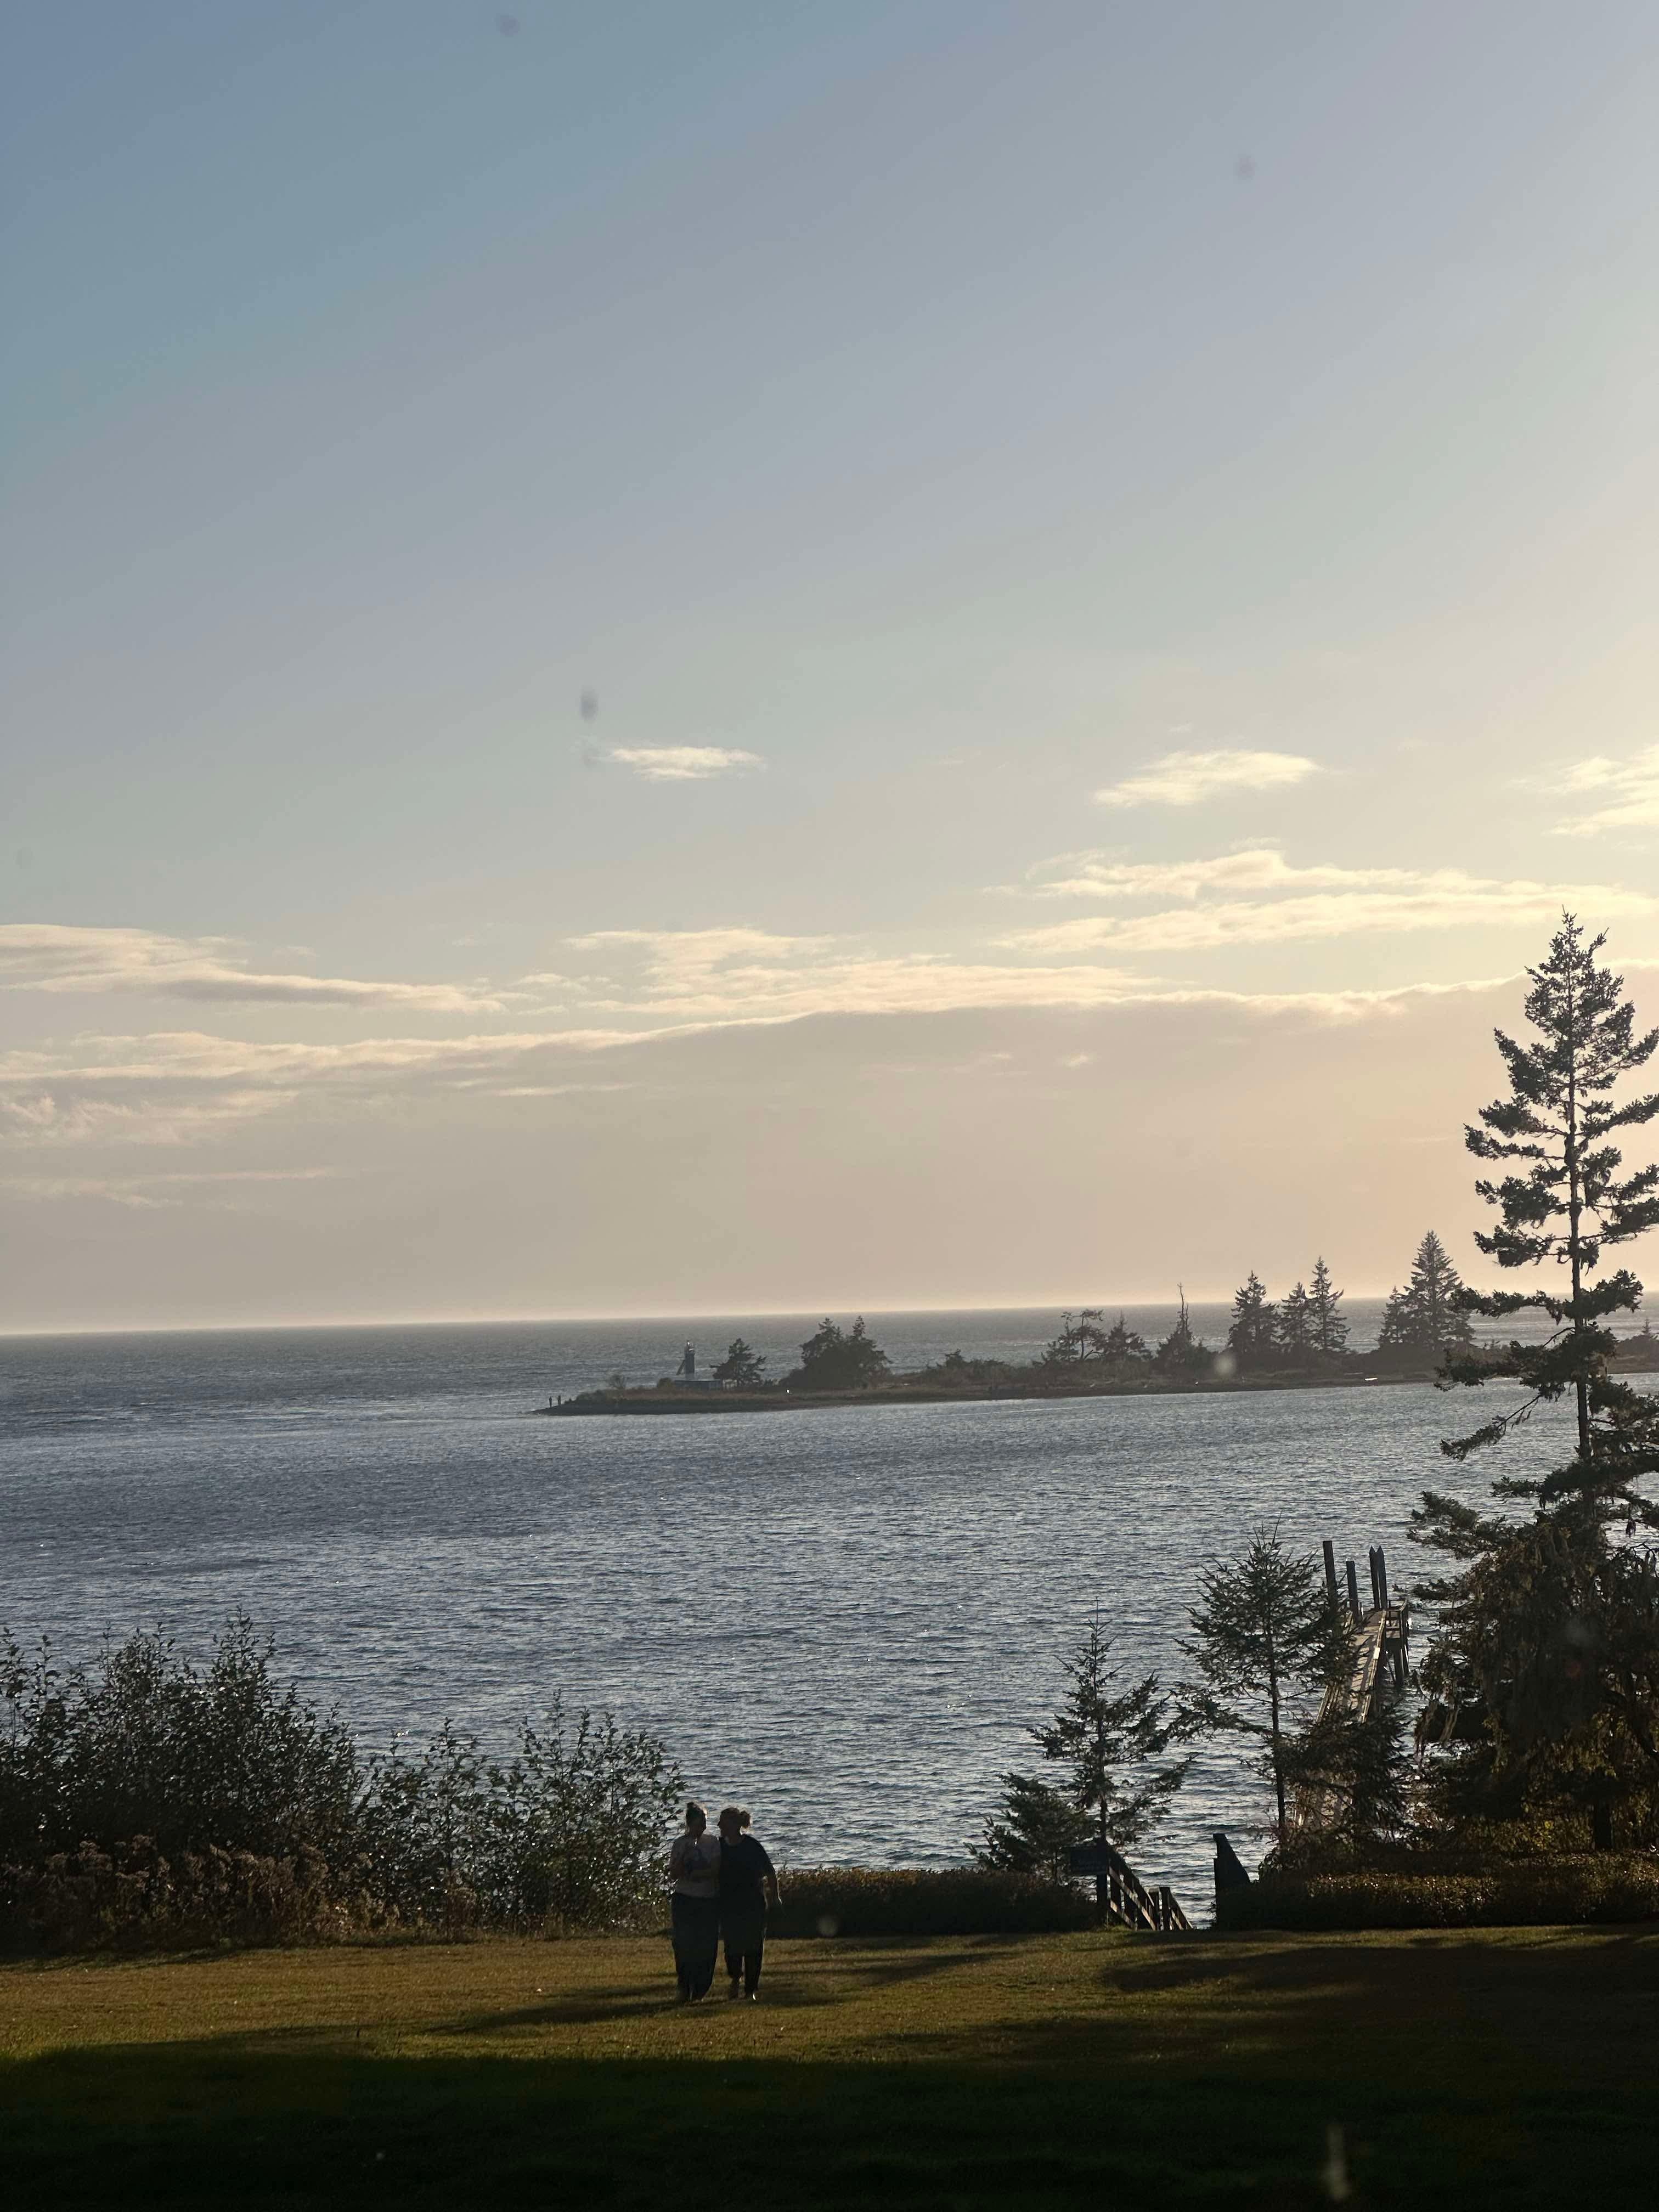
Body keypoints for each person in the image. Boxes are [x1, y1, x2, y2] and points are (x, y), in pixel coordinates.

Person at [717, 1805, 780, 2002]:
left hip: (753, 1902)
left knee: (754, 1947)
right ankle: (735, 1979)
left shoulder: (752, 1846)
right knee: (732, 1946)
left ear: (735, 1825)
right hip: (729, 1904)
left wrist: (775, 1896)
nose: (719, 1825)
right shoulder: (719, 1847)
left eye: (723, 1821)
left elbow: (770, 1872)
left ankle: (751, 1988)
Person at [668, 1801, 721, 2002]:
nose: (702, 1828)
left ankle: (701, 1987)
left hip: (707, 1899)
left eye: (705, 1823)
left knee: (706, 1946)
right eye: (699, 1824)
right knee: (683, 1944)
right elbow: (674, 1874)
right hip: (685, 1898)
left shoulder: (712, 1843)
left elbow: (715, 1870)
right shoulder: (680, 1844)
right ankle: (684, 1985)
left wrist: (697, 1874)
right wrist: (684, 1857)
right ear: (690, 1824)